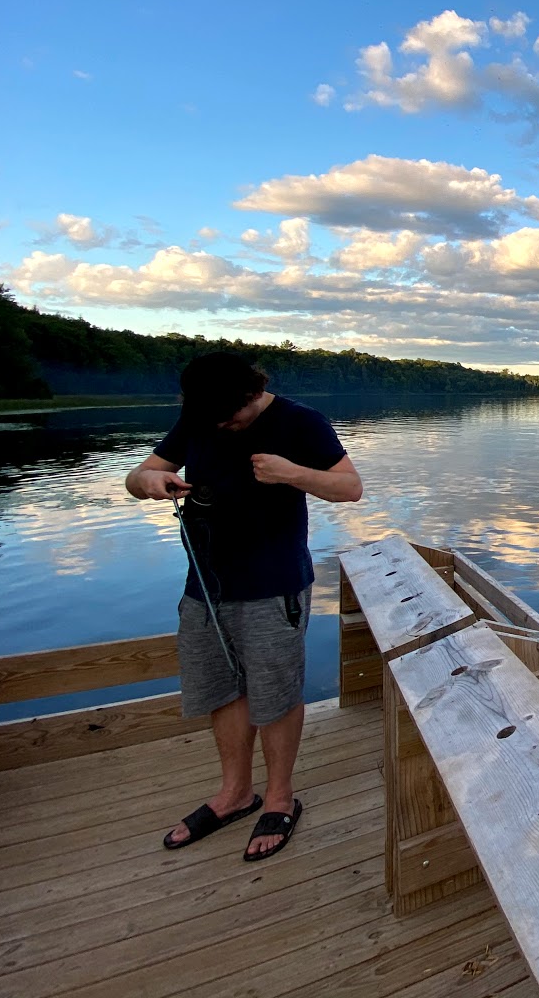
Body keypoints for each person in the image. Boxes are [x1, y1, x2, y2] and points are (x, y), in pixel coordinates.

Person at [126, 351, 362, 861]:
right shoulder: (201, 415)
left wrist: (293, 473)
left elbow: (349, 488)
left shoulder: (301, 421)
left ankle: (279, 798)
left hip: (273, 586)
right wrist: (147, 481)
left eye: (231, 416)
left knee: (274, 692)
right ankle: (235, 794)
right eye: (213, 418)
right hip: (206, 587)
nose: (223, 426)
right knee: (222, 689)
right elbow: (140, 474)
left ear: (254, 393)